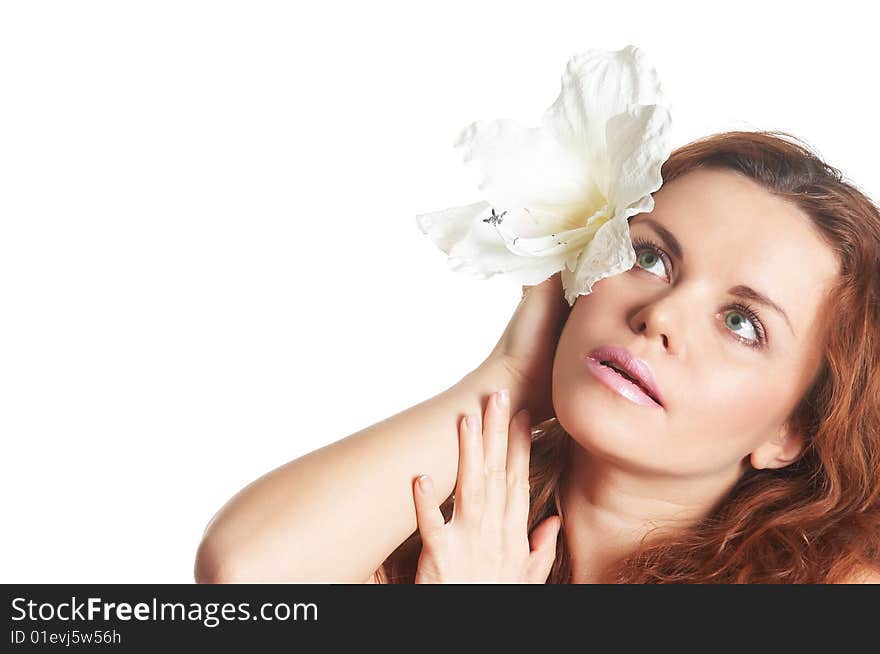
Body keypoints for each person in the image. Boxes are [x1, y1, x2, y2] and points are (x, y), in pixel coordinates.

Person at [194, 131, 880, 584]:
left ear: (791, 431)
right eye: (649, 256)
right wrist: (510, 377)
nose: (660, 316)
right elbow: (243, 580)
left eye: (741, 322)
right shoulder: (455, 540)